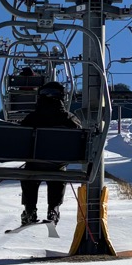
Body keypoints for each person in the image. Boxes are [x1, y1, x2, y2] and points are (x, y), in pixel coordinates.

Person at [19, 79, 79, 227]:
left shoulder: (32, 118)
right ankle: (53, 208)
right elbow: (78, 137)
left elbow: (20, 139)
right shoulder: (69, 119)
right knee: (58, 173)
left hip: (34, 164)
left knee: (29, 174)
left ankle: (30, 209)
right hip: (56, 164)